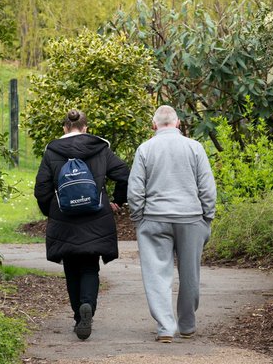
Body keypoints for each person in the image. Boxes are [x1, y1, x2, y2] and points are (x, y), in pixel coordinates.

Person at [34, 109, 130, 341]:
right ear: (85, 128)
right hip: (95, 217)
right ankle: (88, 305)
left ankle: (79, 316)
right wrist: (116, 201)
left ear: (65, 128)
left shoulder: (52, 151)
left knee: (71, 268)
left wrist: (52, 211)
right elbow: (124, 174)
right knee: (89, 266)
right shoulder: (100, 148)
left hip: (64, 219)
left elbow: (41, 190)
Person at [127, 105, 217, 343]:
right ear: (178, 124)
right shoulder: (194, 147)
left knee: (157, 274)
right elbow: (207, 187)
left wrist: (138, 218)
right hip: (191, 218)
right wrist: (207, 217)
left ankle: (165, 327)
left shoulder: (145, 149)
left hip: (154, 218)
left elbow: (135, 189)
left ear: (154, 125)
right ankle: (187, 324)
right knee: (190, 274)